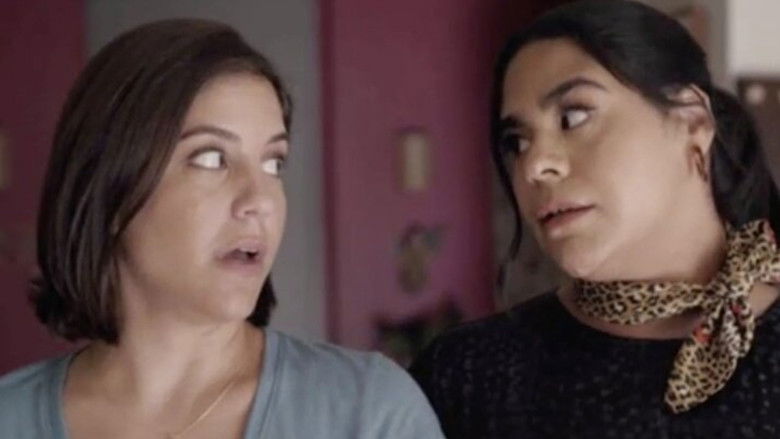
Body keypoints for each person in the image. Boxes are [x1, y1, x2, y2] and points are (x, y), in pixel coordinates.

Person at [0, 19, 443, 438]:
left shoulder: (369, 411)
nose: (261, 200)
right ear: (109, 191)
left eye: (274, 164)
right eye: (212, 158)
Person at [410, 1, 780, 438]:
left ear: (692, 123)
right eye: (517, 142)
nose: (534, 166)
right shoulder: (466, 375)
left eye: (573, 117)